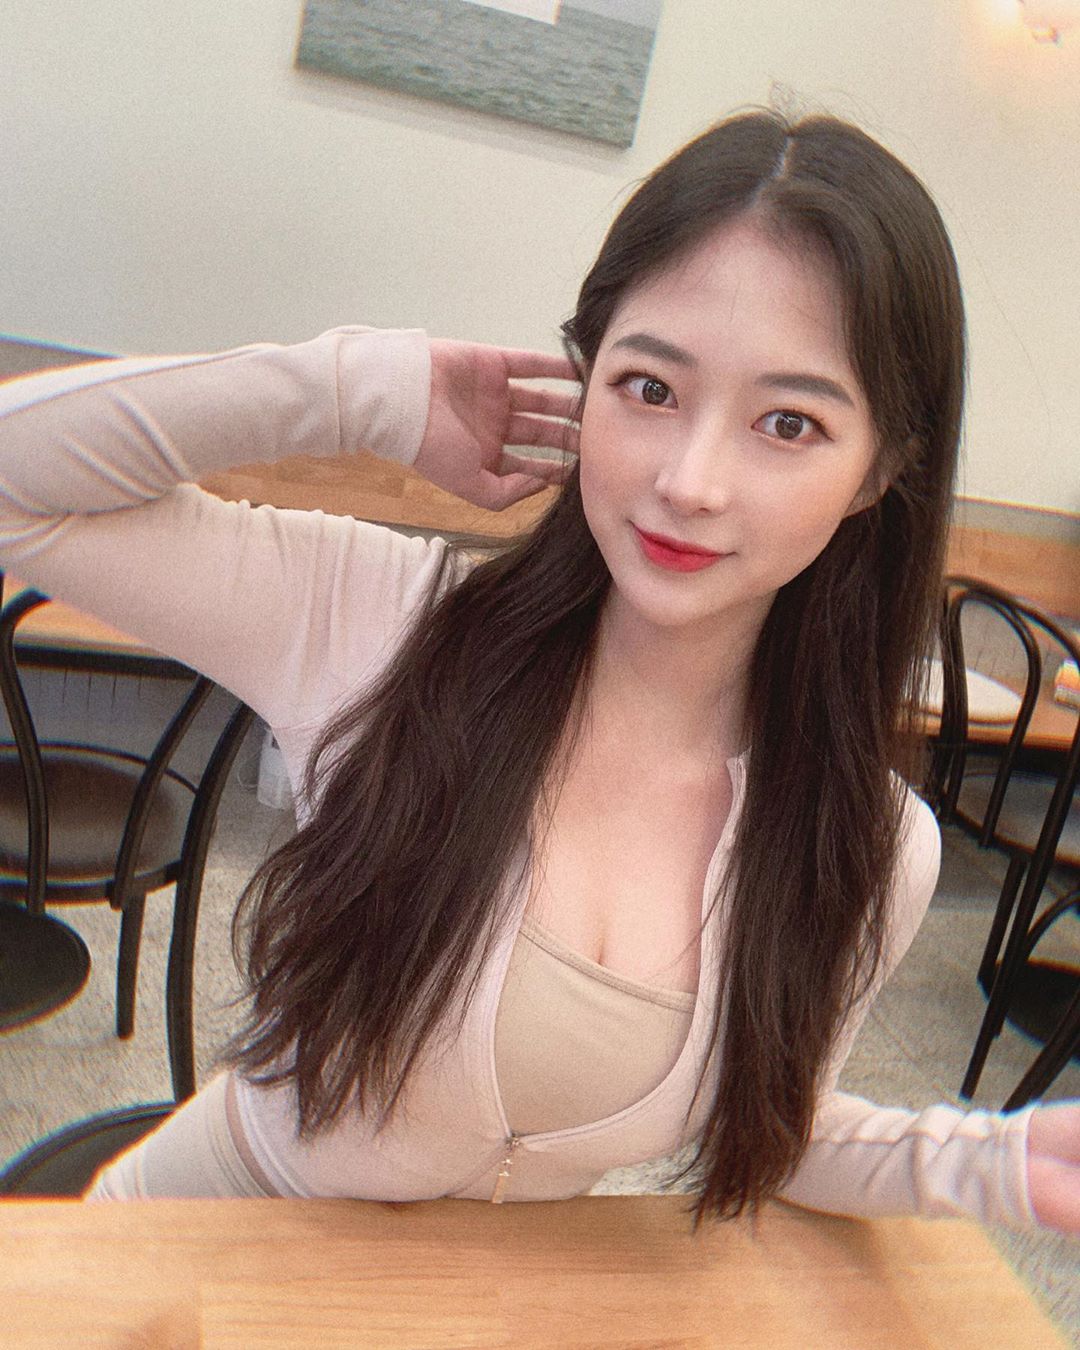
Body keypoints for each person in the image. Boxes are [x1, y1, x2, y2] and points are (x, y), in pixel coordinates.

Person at [0, 108, 1077, 1235]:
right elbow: (19, 488)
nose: (690, 482)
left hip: (450, 1307)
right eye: (650, 389)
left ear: (878, 472)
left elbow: (780, 1126)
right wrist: (355, 391)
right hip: (177, 1252)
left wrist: (997, 1164)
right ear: (586, 379)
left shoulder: (869, 844)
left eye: (789, 423)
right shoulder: (387, 629)